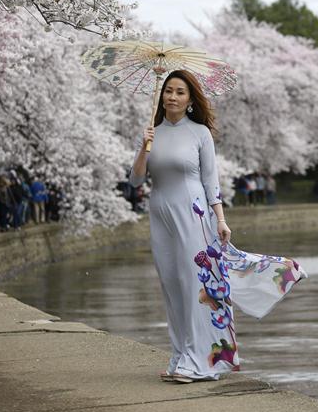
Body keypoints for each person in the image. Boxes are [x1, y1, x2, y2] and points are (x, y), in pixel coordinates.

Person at [128, 69, 306, 384]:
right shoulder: (152, 132)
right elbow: (137, 180)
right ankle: (181, 356)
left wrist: (220, 218)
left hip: (193, 213)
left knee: (194, 285)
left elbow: (211, 180)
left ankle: (201, 360)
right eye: (168, 90)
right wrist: (144, 146)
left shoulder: (199, 133)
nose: (172, 96)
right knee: (171, 286)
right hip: (160, 214)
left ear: (190, 99)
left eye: (180, 92)